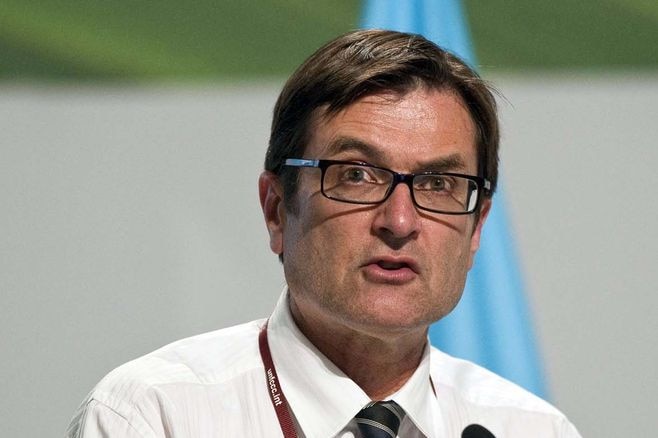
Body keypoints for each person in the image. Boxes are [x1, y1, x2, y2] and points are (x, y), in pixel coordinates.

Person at [67, 29, 581, 438]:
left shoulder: (530, 429)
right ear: (276, 209)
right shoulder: (155, 416)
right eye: (356, 175)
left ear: (475, 230)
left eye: (440, 183)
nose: (399, 222)